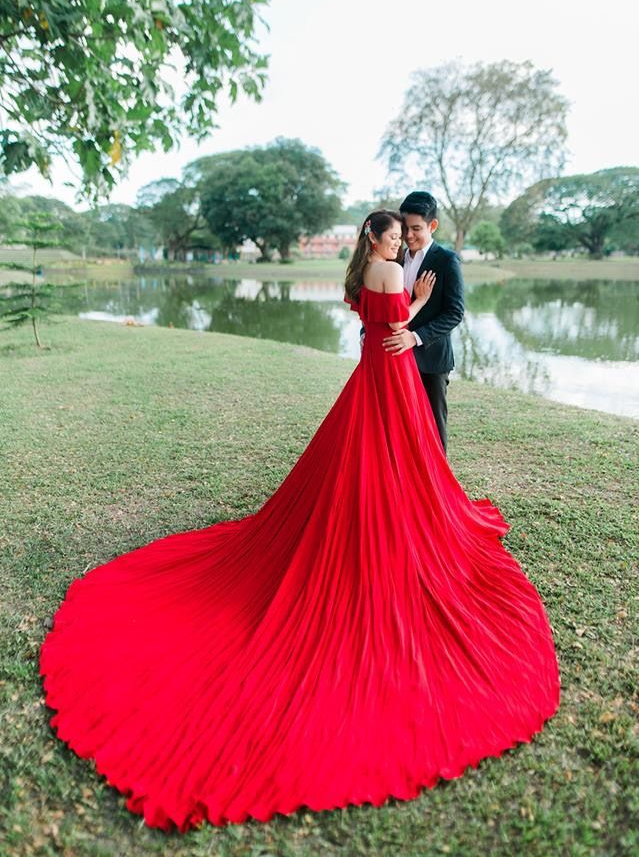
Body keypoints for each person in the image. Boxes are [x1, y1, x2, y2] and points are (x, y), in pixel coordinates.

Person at [40, 209, 560, 833]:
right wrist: (417, 304)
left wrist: (405, 311)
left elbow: (371, 323)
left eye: (404, 235)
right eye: (395, 235)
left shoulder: (363, 271)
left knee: (376, 455)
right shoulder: (391, 271)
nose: (402, 242)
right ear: (377, 238)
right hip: (389, 373)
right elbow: (395, 326)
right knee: (393, 458)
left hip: (374, 370)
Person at [382, 191, 463, 452]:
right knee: (397, 425)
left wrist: (414, 337)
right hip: (394, 358)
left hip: (431, 359)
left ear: (433, 226)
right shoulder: (394, 257)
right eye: (405, 228)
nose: (408, 235)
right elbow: (382, 303)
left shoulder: (446, 260)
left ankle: (436, 489)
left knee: (433, 427)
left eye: (416, 228)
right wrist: (365, 332)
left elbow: (455, 312)